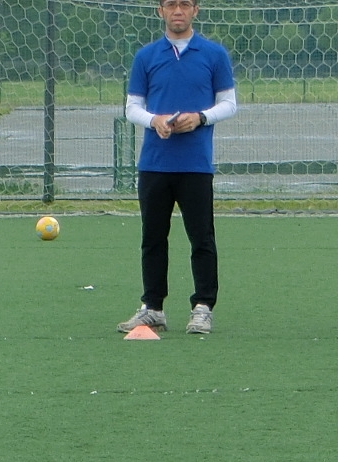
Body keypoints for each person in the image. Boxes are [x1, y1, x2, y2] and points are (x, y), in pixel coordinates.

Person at [117, 0, 236, 337]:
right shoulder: (146, 56)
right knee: (153, 237)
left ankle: (203, 308)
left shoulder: (214, 54)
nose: (178, 11)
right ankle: (153, 308)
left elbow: (229, 103)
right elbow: (132, 108)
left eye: (185, 4)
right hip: (154, 164)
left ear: (195, 10)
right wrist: (154, 120)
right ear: (161, 11)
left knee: (201, 237)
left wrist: (200, 117)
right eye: (171, 4)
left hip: (196, 164)